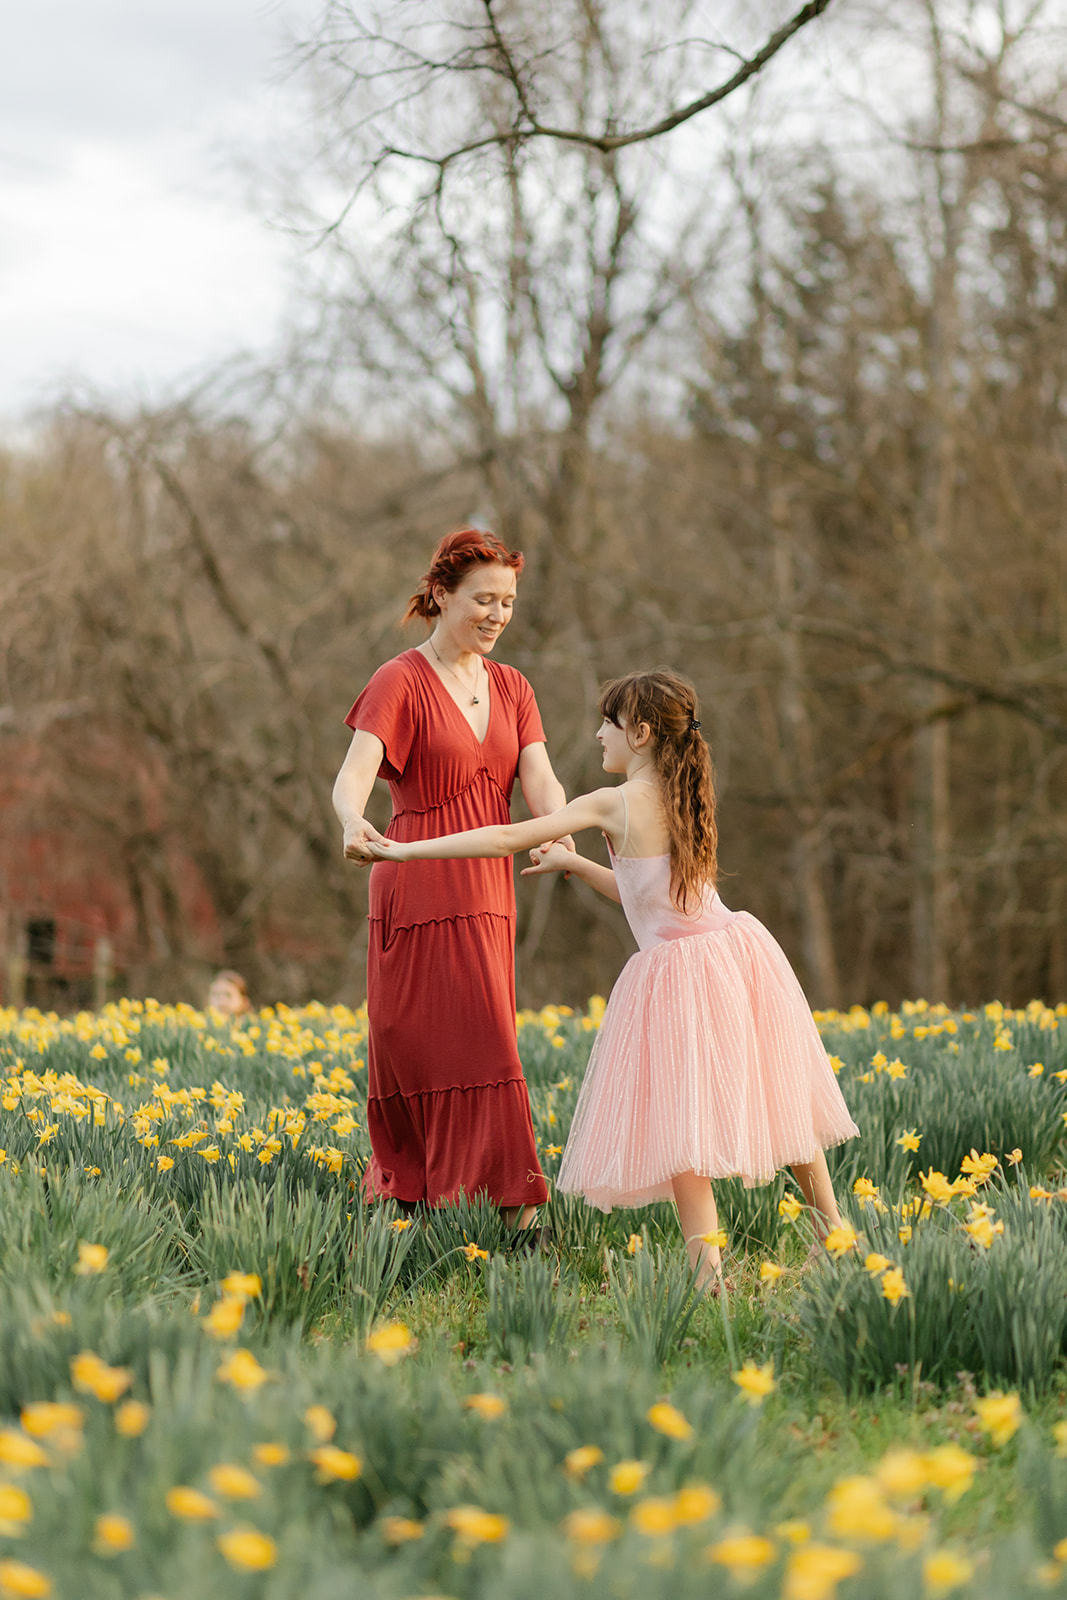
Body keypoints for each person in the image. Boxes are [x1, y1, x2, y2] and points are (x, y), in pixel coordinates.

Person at [366, 667, 859, 1287]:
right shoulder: (683, 789)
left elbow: (507, 837)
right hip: (734, 952)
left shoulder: (613, 802)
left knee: (685, 1128)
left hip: (681, 976)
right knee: (778, 1098)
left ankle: (709, 1277)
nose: (600, 734)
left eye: (611, 723)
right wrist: (576, 863)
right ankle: (834, 1237)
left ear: (643, 733)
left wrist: (401, 850)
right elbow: (653, 900)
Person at [333, 528, 571, 1227]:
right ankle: (414, 1197)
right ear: (440, 595)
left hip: (487, 888)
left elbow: (542, 780)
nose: (498, 615)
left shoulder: (513, 686)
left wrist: (558, 828)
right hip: (412, 881)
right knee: (413, 1041)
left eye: (508, 602)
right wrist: (352, 822)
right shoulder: (398, 680)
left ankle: (510, 1215)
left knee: (489, 1039)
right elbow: (351, 779)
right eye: (484, 600)